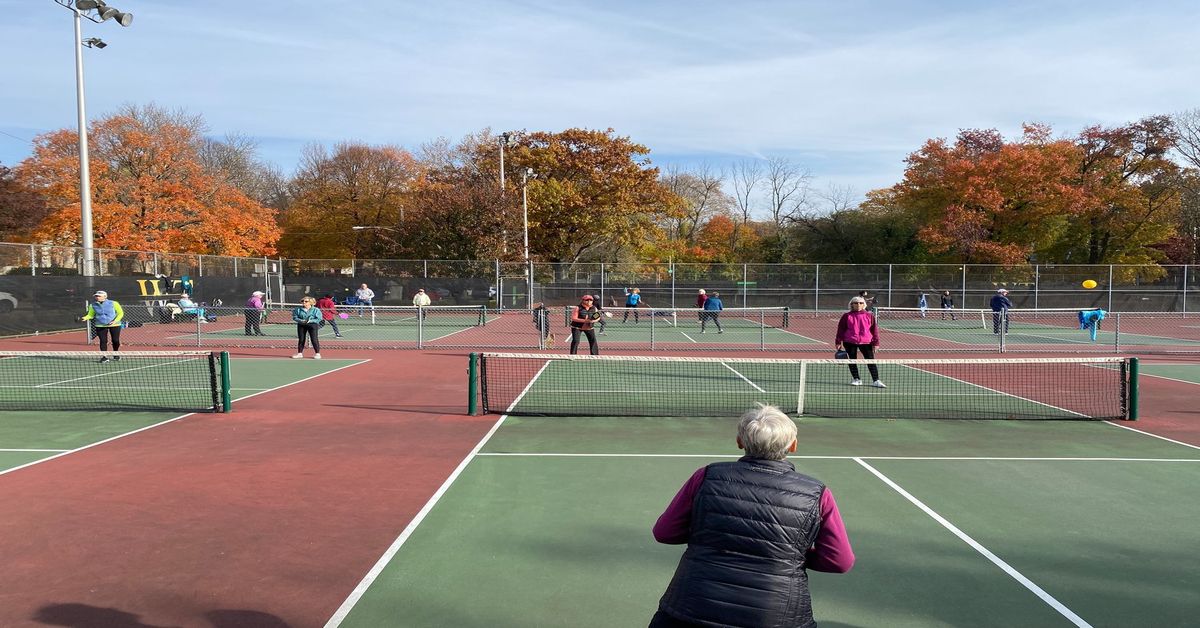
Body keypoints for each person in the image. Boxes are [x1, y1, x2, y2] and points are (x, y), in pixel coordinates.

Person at [650, 404, 855, 628]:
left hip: (689, 608)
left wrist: (709, 536)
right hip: (778, 617)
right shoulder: (817, 494)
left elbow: (665, 532)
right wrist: (790, 553)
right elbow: (839, 561)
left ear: (740, 442)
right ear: (793, 445)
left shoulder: (706, 476)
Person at [835, 295, 885, 387]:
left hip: (866, 342)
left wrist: (876, 343)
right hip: (849, 342)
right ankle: (856, 379)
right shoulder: (846, 316)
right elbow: (841, 330)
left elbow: (874, 330)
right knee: (852, 361)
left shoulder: (869, 316)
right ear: (852, 304)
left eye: (861, 303)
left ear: (864, 305)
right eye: (856, 303)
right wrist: (838, 342)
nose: (858, 304)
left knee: (870, 361)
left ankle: (876, 380)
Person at [81, 290, 124, 363]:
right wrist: (84, 318)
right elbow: (90, 315)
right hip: (100, 325)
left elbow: (120, 313)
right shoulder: (92, 305)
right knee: (103, 341)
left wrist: (115, 321)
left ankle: (115, 353)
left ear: (105, 297)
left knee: (115, 340)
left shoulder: (114, 303)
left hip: (115, 324)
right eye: (96, 296)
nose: (97, 297)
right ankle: (104, 357)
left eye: (99, 296)